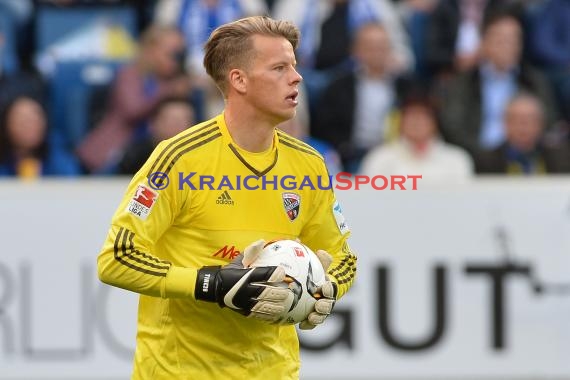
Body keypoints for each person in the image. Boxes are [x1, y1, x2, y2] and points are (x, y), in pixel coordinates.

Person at [97, 16, 356, 379]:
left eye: (294, 67)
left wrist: (329, 289)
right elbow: (117, 259)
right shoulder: (180, 159)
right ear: (239, 80)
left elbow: (343, 258)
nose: (297, 77)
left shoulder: (309, 165)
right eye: (280, 68)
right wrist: (211, 284)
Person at [76, 25, 191, 174]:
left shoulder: (180, 83)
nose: (177, 61)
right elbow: (132, 109)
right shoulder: (130, 74)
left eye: (181, 55)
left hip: (154, 159)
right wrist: (168, 90)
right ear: (151, 50)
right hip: (113, 157)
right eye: (172, 54)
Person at [313, 22, 398, 172]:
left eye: (381, 46)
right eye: (370, 47)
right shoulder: (338, 87)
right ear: (356, 50)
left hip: (395, 155)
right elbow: (325, 126)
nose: (376, 52)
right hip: (351, 157)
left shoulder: (405, 87)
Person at [359, 87, 474, 184]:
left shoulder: (456, 159)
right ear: (400, 122)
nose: (416, 122)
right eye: (411, 116)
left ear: (435, 123)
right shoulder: (379, 158)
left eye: (423, 117)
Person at [475, 92, 570, 174]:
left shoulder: (561, 159)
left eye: (529, 120)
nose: (523, 127)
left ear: (541, 124)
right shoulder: (485, 162)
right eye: (516, 120)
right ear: (505, 123)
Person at [0, 96, 80, 177]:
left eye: (35, 120)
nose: (29, 126)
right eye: (23, 121)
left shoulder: (57, 155)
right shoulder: (3, 160)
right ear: (7, 125)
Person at [118, 97, 195, 174]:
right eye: (173, 120)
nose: (179, 126)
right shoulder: (135, 157)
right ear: (153, 124)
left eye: (185, 120)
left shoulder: (199, 156)